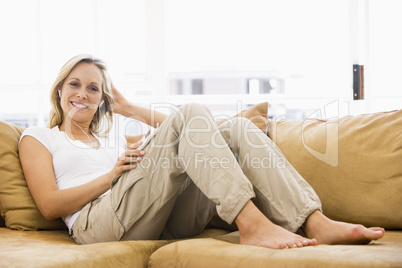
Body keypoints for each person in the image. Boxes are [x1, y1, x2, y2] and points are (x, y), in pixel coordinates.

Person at [19, 54, 385, 249]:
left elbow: (190, 130)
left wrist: (128, 109)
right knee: (193, 112)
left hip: (154, 220)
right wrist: (111, 176)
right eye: (75, 84)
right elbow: (50, 205)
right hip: (97, 225)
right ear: (59, 90)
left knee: (237, 129)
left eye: (94, 88)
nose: (82, 93)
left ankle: (314, 220)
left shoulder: (114, 136)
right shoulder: (39, 137)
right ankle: (252, 224)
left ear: (102, 100)